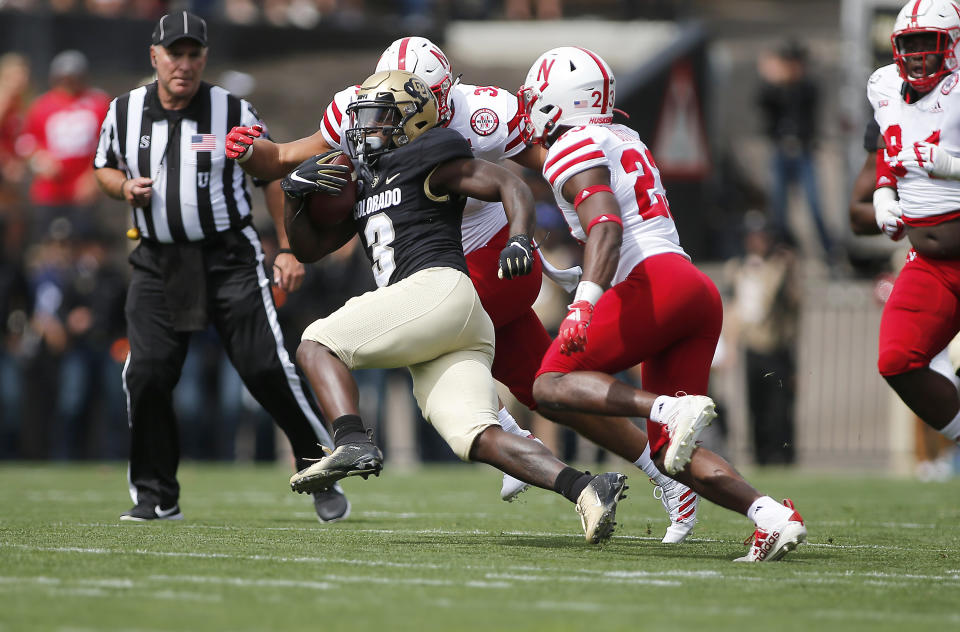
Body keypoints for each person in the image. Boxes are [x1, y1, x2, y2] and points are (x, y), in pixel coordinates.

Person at [226, 36, 703, 542]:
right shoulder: (361, 114)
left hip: (490, 261)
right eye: (381, 105)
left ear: (442, 98)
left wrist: (578, 223)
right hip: (436, 273)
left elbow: (553, 163)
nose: (383, 123)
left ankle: (491, 422)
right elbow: (278, 159)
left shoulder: (482, 115)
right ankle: (646, 473)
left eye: (407, 105)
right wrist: (250, 152)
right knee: (547, 391)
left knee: (400, 326)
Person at [519, 46, 807, 562]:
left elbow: (606, 225)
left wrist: (584, 302)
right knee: (669, 453)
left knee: (548, 384)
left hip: (654, 285)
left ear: (560, 102)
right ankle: (773, 517)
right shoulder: (623, 136)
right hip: (691, 287)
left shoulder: (573, 145)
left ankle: (664, 407)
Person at [93, 10, 349, 523]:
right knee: (145, 373)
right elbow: (103, 165)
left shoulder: (233, 110)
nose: (183, 64)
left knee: (264, 367)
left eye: (193, 54)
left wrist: (287, 248)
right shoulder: (123, 111)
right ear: (154, 57)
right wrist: (122, 188)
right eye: (174, 53)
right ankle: (156, 495)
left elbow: (272, 174)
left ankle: (319, 467)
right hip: (157, 262)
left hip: (229, 258)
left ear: (204, 58)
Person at [865, 0, 960, 455]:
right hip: (929, 263)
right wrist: (884, 195)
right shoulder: (883, 86)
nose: (919, 54)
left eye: (930, 41)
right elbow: (890, 147)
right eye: (911, 42)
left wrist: (952, 164)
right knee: (898, 359)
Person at [723, 211, 799, 466]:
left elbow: (793, 305)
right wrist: (730, 345)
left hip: (777, 347)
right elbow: (733, 309)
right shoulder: (737, 269)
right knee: (755, 407)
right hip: (751, 346)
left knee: (780, 409)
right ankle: (761, 458)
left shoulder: (780, 266)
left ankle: (782, 458)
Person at [17, 50, 110, 242]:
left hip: (82, 191)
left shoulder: (98, 103)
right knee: (48, 243)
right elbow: (26, 142)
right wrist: (39, 161)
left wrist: (95, 176)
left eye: (74, 77)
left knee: (83, 242)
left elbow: (110, 142)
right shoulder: (42, 105)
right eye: (64, 78)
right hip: (50, 191)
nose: (68, 83)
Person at [756, 39, 835, 259]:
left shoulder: (807, 88)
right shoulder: (774, 90)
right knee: (778, 207)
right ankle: (782, 249)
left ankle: (829, 251)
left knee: (814, 204)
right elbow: (762, 103)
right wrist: (771, 78)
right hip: (781, 150)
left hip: (803, 151)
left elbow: (807, 100)